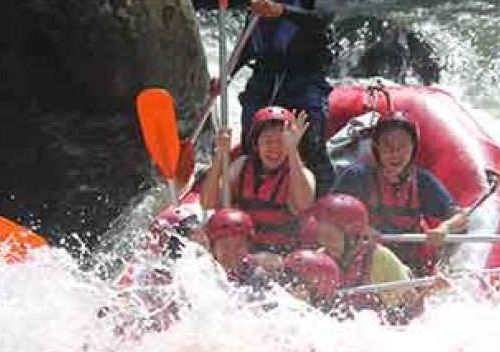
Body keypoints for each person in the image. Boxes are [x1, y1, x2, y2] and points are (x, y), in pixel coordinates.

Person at [232, 0, 342, 196]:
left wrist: (281, 11)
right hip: (264, 77)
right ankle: (255, 208)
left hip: (303, 77)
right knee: (253, 144)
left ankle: (324, 210)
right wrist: (226, 75)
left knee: (310, 146)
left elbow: (322, 18)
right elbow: (249, 38)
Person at [331, 111, 469, 277]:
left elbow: (460, 218)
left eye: (402, 146)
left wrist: (444, 228)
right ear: (376, 147)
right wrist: (361, 228)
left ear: (413, 147)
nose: (395, 153)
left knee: (457, 231)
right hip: (368, 263)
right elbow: (328, 214)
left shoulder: (423, 181)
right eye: (388, 146)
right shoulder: (357, 177)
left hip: (412, 266)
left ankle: (438, 274)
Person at [200, 106, 315, 254]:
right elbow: (207, 202)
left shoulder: (302, 174)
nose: (274, 148)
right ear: (256, 145)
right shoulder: (241, 166)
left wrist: (292, 149)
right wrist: (220, 155)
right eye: (267, 141)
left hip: (278, 257)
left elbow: (303, 204)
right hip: (242, 253)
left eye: (281, 142)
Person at [306, 193, 421, 321]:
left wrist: (427, 292)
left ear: (352, 235)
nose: (325, 240)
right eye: (321, 229)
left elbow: (413, 306)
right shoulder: (319, 260)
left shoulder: (379, 257)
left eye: (330, 235)